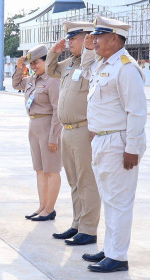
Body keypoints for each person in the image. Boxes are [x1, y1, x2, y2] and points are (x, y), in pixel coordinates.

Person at [80, 15, 147, 273]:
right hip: (102, 140)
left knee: (119, 202)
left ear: (114, 38)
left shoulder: (126, 67)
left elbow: (137, 112)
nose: (94, 40)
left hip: (119, 143)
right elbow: (87, 75)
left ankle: (118, 256)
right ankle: (110, 249)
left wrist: (132, 148)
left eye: (98, 36)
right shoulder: (104, 64)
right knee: (109, 199)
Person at [46, 21, 101, 245]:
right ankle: (77, 224)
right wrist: (53, 53)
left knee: (86, 180)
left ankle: (88, 229)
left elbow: (90, 70)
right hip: (67, 130)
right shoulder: (69, 63)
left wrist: (88, 50)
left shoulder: (93, 62)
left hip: (83, 129)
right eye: (68, 38)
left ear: (88, 39)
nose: (69, 42)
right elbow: (50, 71)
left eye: (74, 38)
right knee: (73, 181)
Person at [12, 44, 62, 221]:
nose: (33, 66)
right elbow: (16, 84)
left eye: (36, 63)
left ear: (46, 60)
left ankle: (50, 209)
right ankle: (42, 206)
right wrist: (20, 68)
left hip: (48, 126)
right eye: (31, 64)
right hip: (33, 126)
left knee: (52, 170)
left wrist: (54, 137)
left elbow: (57, 109)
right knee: (40, 170)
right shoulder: (32, 79)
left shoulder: (53, 79)